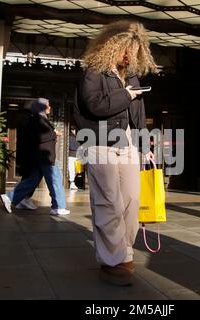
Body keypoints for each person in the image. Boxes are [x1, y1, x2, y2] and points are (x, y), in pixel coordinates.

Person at [73, 20, 157, 286]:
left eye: (133, 50)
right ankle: (112, 261)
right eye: (125, 49)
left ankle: (124, 250)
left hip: (129, 144)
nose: (128, 55)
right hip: (99, 144)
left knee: (132, 200)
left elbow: (139, 116)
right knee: (108, 202)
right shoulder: (94, 72)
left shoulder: (131, 76)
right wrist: (127, 95)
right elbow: (95, 105)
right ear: (111, 45)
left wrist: (145, 148)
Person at [0, 98, 70, 216]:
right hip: (44, 156)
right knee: (55, 180)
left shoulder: (38, 119)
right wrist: (53, 133)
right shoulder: (37, 120)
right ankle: (58, 207)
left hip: (40, 156)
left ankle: (9, 197)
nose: (50, 107)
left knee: (32, 180)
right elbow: (39, 137)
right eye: (47, 105)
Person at [68, 126, 80, 190]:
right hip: (72, 155)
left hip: (76, 155)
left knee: (76, 170)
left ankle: (72, 182)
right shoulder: (70, 137)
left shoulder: (77, 137)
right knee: (72, 169)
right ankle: (72, 183)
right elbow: (72, 146)